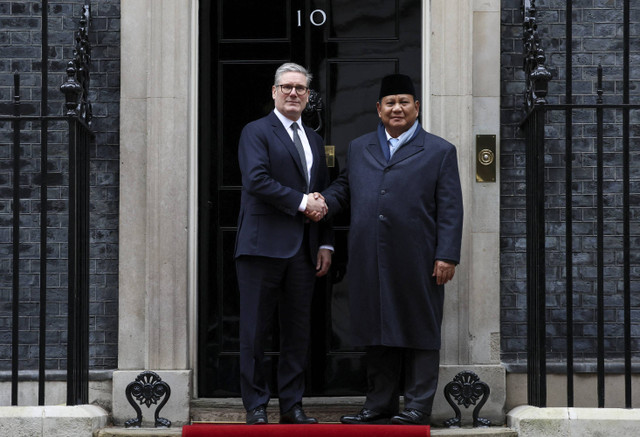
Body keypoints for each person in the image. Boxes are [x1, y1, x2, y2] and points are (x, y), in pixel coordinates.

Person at [318, 73, 463, 425]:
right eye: (390, 103)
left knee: (420, 330)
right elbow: (345, 188)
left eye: (404, 102)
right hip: (370, 257)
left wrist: (447, 254)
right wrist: (321, 201)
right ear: (379, 109)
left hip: (419, 258)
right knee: (376, 330)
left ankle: (417, 407)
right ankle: (379, 404)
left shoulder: (440, 150)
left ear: (417, 108)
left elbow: (450, 207)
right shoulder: (359, 146)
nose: (397, 108)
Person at [234, 62, 333, 425]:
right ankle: (256, 404)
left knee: (297, 333)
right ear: (274, 92)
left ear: (308, 96)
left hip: (304, 251)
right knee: (255, 330)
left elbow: (321, 191)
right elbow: (256, 180)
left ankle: (292, 405)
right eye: (287, 87)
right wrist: (303, 202)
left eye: (301, 88)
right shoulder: (256, 132)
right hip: (261, 247)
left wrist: (326, 243)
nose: (294, 93)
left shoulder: (317, 141)